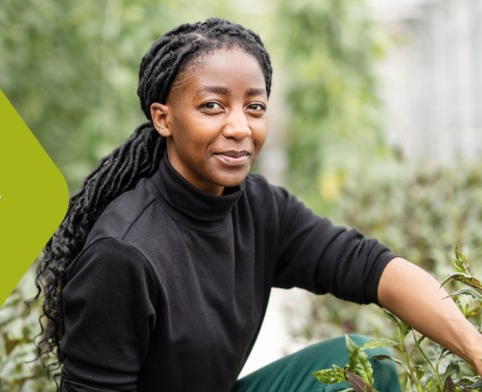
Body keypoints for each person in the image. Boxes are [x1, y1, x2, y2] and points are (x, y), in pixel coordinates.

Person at [32, 17, 482, 391]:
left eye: (254, 107)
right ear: (163, 118)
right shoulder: (122, 254)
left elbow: (371, 268)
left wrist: (476, 349)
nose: (239, 127)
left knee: (365, 361)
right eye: (212, 106)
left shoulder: (260, 208)